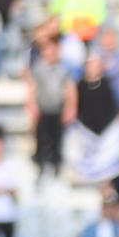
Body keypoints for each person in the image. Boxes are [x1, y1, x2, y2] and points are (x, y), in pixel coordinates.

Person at [65, 52, 119, 183]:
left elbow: (112, 106)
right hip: (86, 128)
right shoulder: (80, 85)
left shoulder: (106, 84)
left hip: (103, 128)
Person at [26, 37, 67, 180]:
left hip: (57, 109)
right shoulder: (38, 69)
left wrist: (69, 107)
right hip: (43, 108)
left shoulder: (62, 69)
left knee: (57, 138)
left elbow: (69, 89)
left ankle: (56, 164)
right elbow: (32, 87)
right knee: (41, 137)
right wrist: (32, 105)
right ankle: (40, 164)